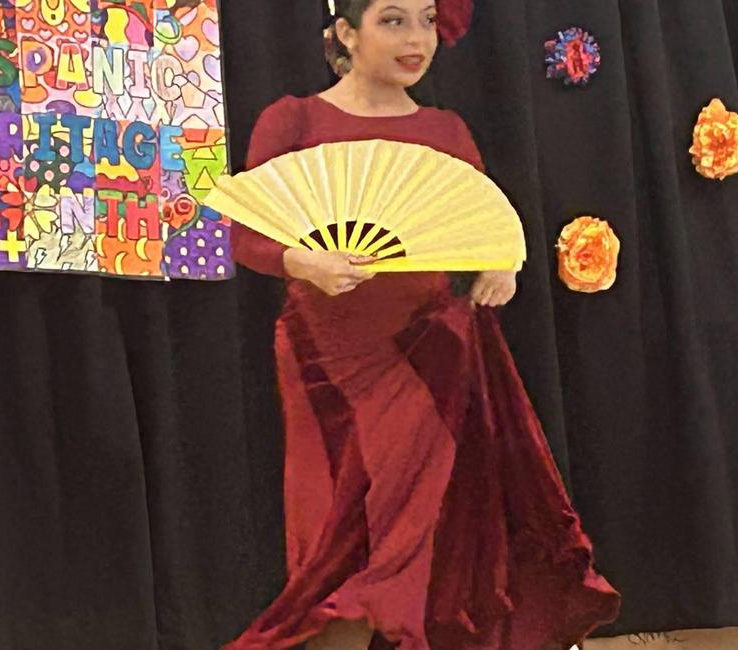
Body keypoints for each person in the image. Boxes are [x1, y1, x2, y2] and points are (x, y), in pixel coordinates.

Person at [223, 1, 620, 648]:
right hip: (326, 357)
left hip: (433, 351)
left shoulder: (446, 130)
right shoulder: (293, 118)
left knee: (427, 536)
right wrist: (301, 259)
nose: (417, 39)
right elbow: (241, 231)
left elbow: (484, 232)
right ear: (346, 33)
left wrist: (500, 270)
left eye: (428, 20)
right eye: (394, 20)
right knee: (334, 543)